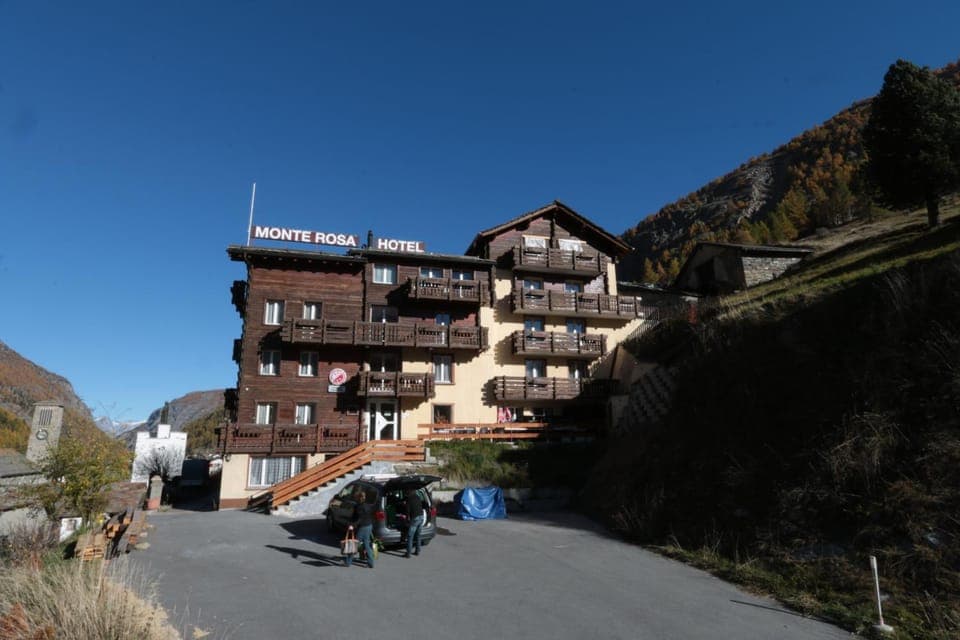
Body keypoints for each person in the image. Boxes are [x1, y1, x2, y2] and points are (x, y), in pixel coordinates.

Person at [345, 489, 376, 568]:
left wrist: (352, 525)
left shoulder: (358, 507)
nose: (354, 498)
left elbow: (359, 519)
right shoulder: (368, 505)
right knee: (366, 544)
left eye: (355, 497)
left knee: (354, 544)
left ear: (358, 498)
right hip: (369, 526)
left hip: (362, 527)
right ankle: (370, 562)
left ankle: (348, 562)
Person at [404, 488, 424, 558]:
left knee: (410, 536)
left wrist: (407, 520)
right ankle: (417, 551)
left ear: (408, 493)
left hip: (415, 518)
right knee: (418, 535)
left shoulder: (409, 499)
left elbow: (407, 511)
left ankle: (408, 553)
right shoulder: (418, 497)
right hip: (421, 517)